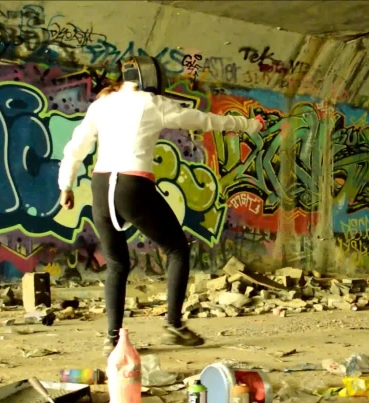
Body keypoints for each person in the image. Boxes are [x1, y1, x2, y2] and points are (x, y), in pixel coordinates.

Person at [57, 56, 264, 355]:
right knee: (177, 248)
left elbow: (76, 146)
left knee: (117, 263)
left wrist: (66, 184)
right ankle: (174, 325)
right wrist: (248, 125)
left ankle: (113, 338)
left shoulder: (101, 104)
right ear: (150, 76)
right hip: (132, 185)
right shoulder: (150, 103)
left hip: (100, 186)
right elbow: (204, 120)